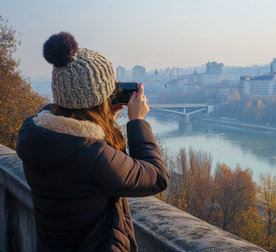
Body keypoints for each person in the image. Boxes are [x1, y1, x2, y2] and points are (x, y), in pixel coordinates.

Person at [16, 32, 169, 252]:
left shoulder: (35, 135)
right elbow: (157, 176)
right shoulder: (94, 156)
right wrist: (137, 121)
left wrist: (104, 117)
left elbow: (77, 128)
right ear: (101, 99)